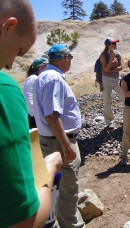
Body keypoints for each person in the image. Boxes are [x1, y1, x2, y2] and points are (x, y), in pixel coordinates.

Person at [0, 0, 62, 227]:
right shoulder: (5, 91)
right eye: (18, 50)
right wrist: (48, 171)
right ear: (8, 26)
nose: (9, 64)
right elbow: (25, 220)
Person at [33, 44, 86, 227]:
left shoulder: (45, 76)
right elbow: (52, 115)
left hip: (54, 140)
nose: (70, 61)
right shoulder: (53, 78)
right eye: (70, 58)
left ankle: (61, 221)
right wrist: (66, 145)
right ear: (64, 58)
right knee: (68, 190)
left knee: (59, 188)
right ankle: (70, 225)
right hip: (59, 142)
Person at [100, 37, 123, 127]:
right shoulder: (103, 55)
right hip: (106, 79)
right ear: (108, 45)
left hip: (116, 79)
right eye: (113, 44)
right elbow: (105, 69)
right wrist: (111, 59)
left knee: (125, 96)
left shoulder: (117, 54)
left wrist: (111, 69)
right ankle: (109, 121)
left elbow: (121, 67)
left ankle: (129, 116)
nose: (115, 45)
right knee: (107, 100)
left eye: (115, 43)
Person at [23, 56, 49, 128]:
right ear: (41, 67)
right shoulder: (33, 78)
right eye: (47, 67)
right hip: (35, 118)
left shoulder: (38, 79)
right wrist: (40, 115)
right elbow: (28, 100)